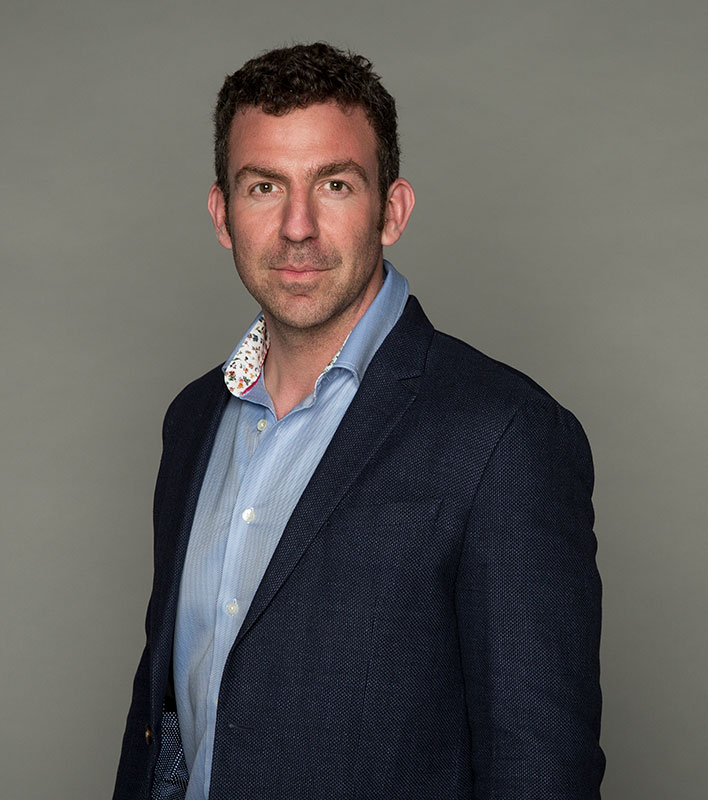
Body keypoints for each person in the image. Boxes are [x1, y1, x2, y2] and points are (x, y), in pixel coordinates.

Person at [113, 42, 604, 800]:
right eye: (264, 186)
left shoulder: (506, 435)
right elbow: (173, 718)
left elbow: (540, 771)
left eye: (335, 184)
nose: (297, 226)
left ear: (392, 211)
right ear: (222, 215)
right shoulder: (193, 420)